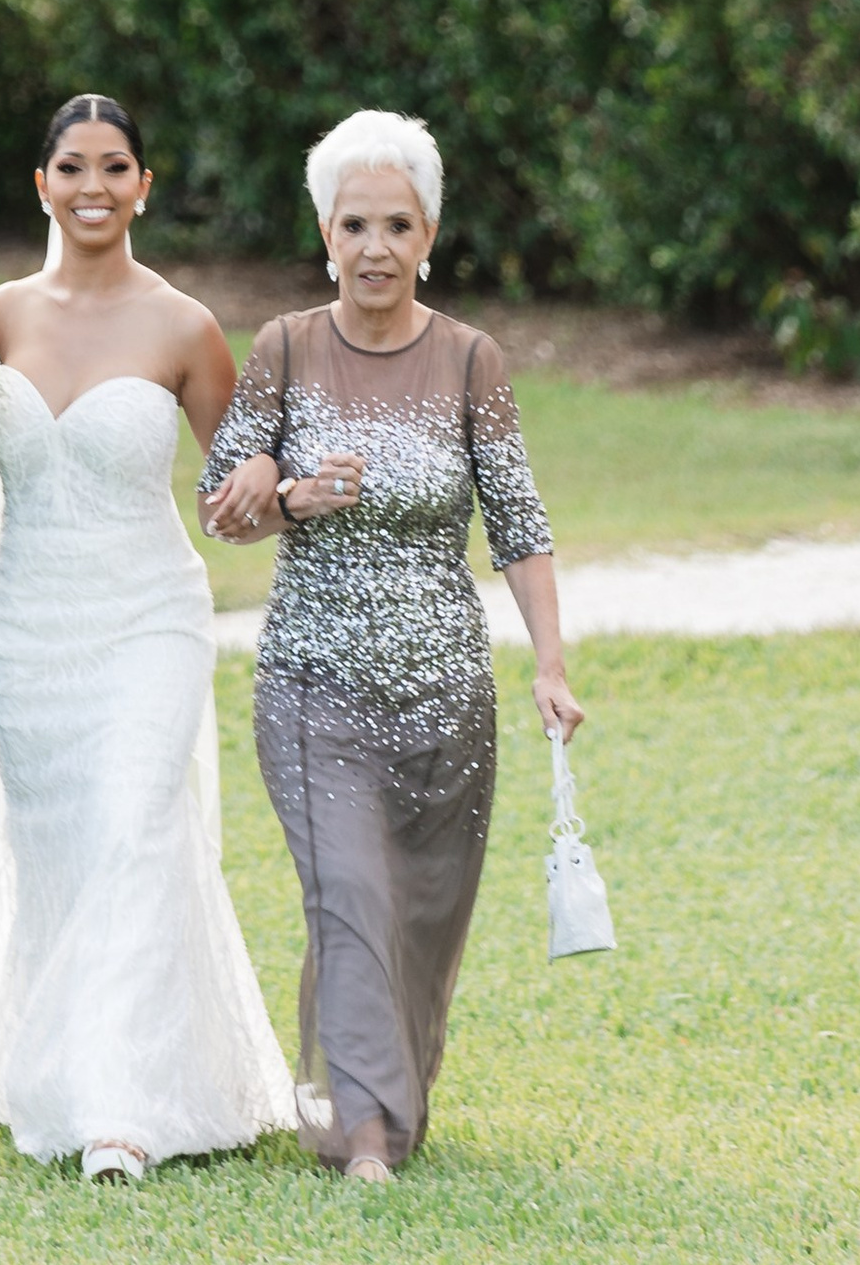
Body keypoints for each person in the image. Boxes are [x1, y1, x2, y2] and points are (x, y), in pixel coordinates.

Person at [0, 93, 294, 1181]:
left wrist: (269, 490)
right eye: (73, 166)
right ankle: (58, 1072)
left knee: (132, 828)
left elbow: (237, 488)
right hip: (26, 626)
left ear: (144, 186)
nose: (94, 187)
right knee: (63, 849)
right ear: (41, 185)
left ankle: (123, 1108)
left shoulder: (185, 326)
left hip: (146, 618)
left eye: (116, 166)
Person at [201, 107, 582, 1184]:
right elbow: (221, 502)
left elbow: (518, 521)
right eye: (353, 223)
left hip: (446, 693)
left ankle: (372, 1099)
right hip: (314, 682)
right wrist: (285, 493)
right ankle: (360, 1132)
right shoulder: (282, 348)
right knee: (349, 894)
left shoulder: (471, 359)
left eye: (397, 225)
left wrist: (549, 664)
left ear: (428, 236)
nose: (375, 246)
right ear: (324, 233)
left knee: (420, 913)